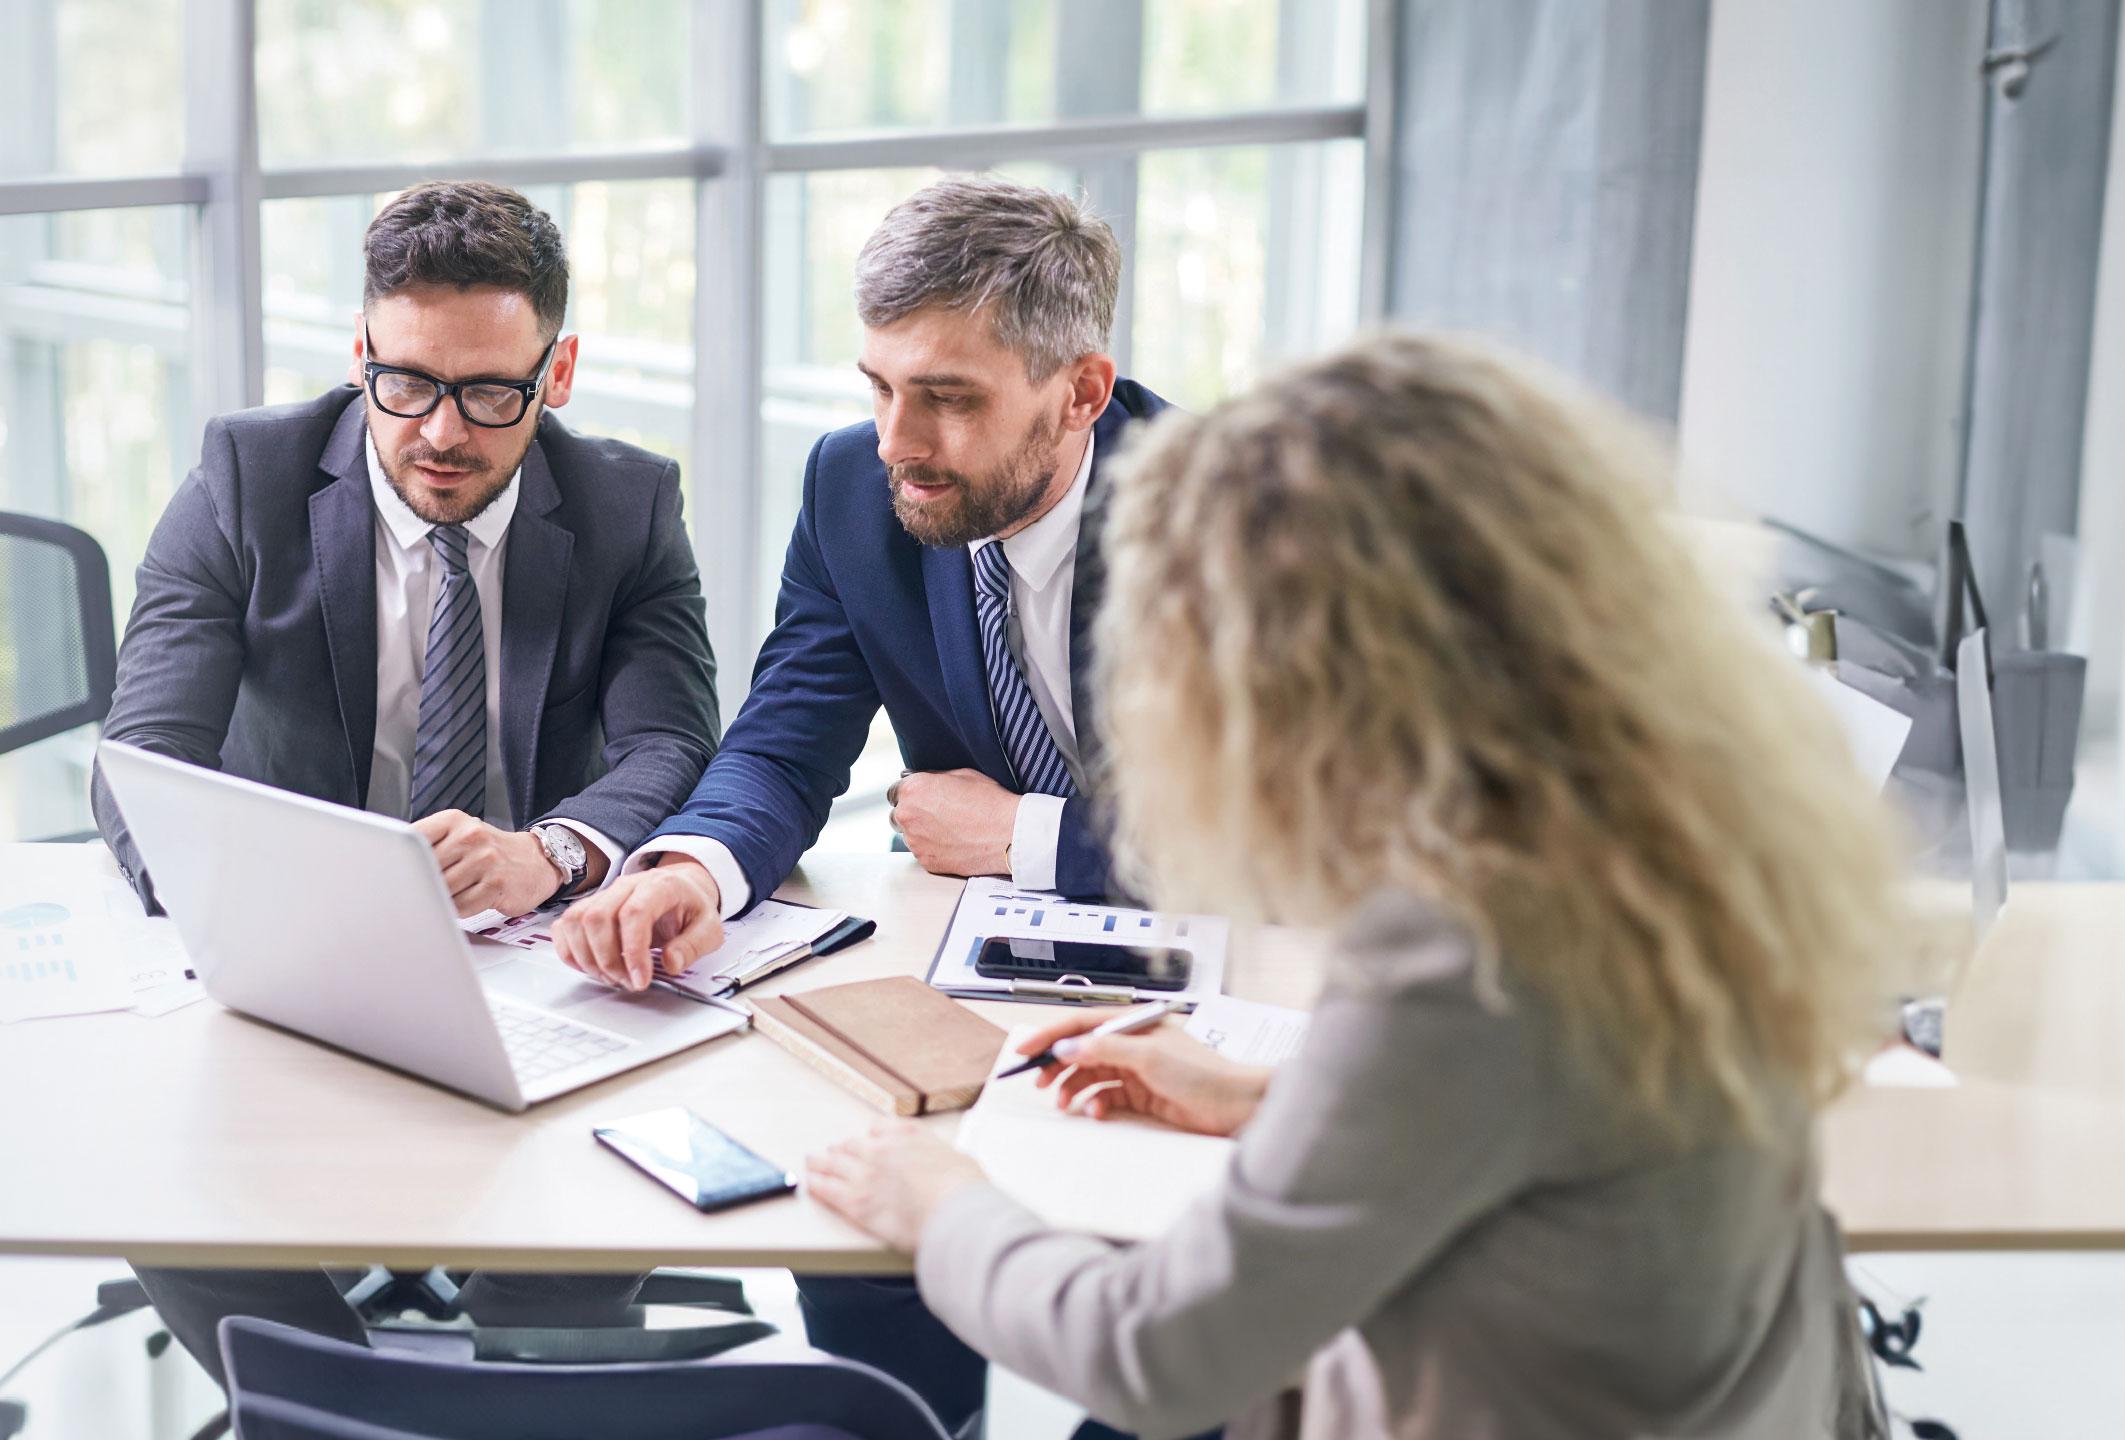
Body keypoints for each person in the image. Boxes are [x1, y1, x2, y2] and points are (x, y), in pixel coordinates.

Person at [804, 331, 1904, 1439]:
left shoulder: (1463, 950)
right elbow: (1555, 1130)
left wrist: (941, 1204)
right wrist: (1270, 1099)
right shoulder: (1665, 832)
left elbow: (1155, 1355)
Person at [550, 173, 1171, 1438]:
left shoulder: (1226, 509)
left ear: (1083, 393)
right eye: (881, 386)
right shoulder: (854, 487)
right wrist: (692, 871)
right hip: (969, 994)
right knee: (870, 1244)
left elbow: (1296, 832)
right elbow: (785, 738)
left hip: (1197, 1009)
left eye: (948, 398)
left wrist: (1024, 838)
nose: (899, 438)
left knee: (1174, 1349)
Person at [95, 180, 720, 1385]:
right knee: (168, 1199)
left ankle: (531, 1404)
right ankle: (361, 1411)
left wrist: (555, 850)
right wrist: (298, 909)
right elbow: (141, 768)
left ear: (561, 369)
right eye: (407, 383)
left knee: (576, 1233)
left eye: (493, 393)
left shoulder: (627, 504)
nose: (441, 432)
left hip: (540, 962)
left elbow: (675, 745)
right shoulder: (245, 479)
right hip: (299, 968)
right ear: (361, 351)